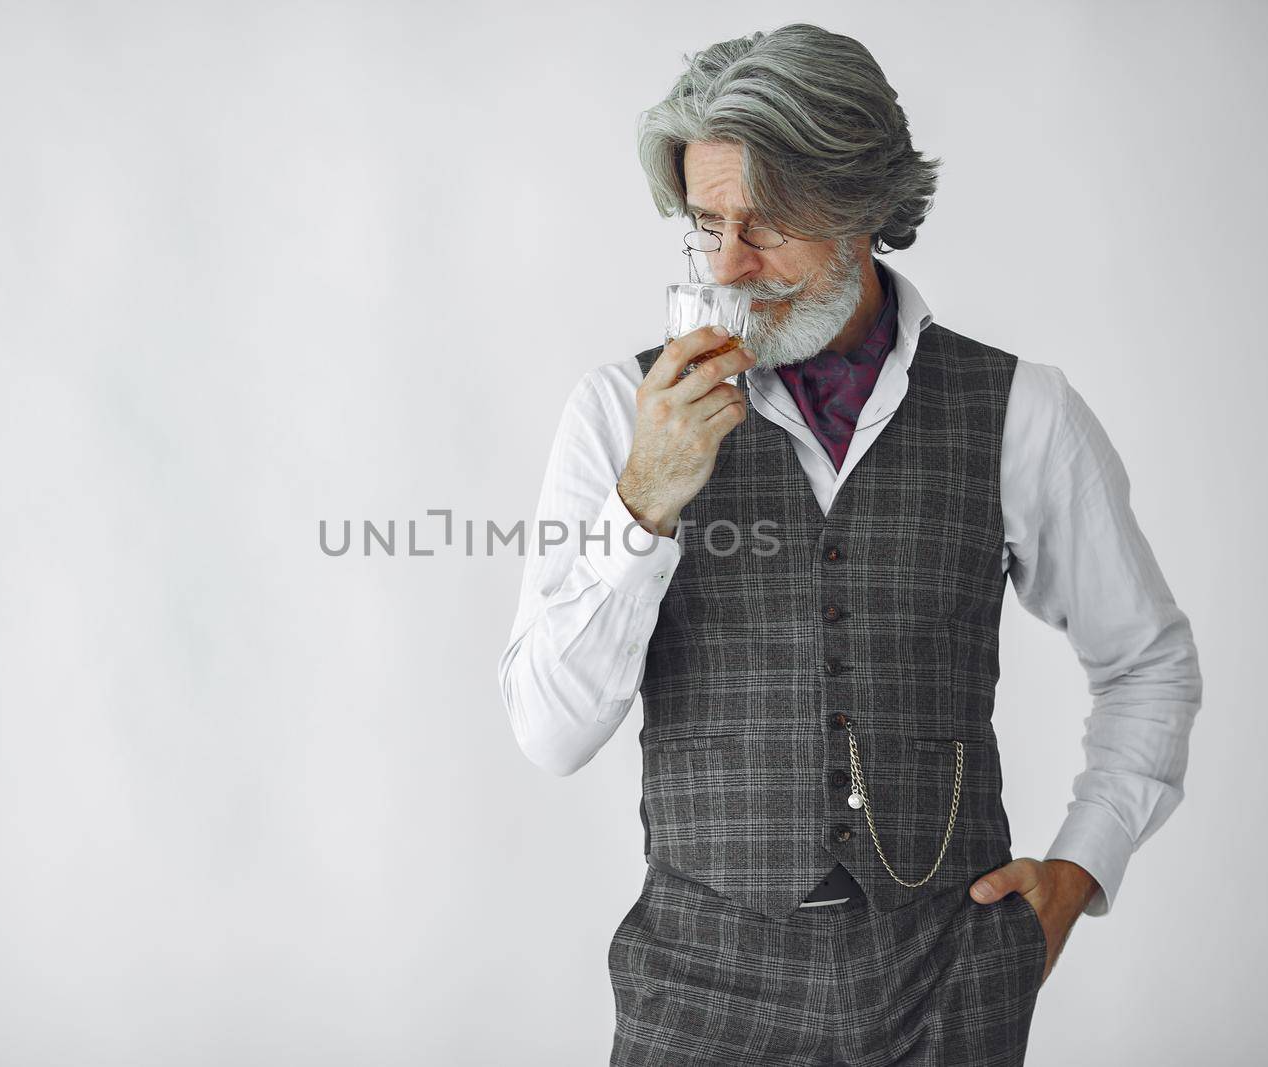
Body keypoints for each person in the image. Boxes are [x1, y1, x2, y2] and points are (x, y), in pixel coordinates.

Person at [497, 22, 1202, 1067]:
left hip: (947, 993)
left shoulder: (1019, 411)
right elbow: (548, 735)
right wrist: (643, 501)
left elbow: (1148, 663)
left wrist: (1079, 869)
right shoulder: (618, 411)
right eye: (706, 224)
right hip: (697, 999)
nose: (731, 264)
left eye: (770, 222)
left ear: (865, 206)